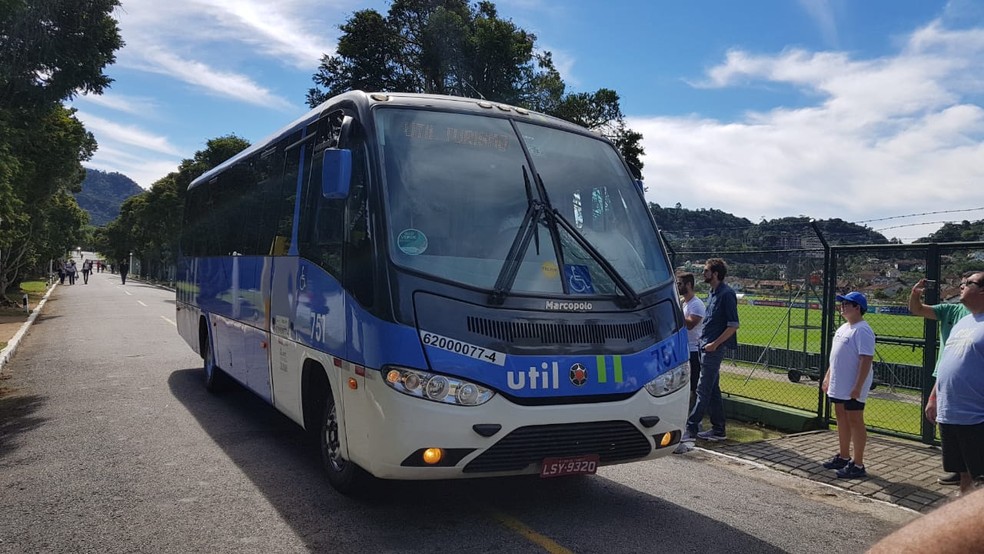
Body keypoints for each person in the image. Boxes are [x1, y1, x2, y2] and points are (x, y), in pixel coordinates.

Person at [925, 271, 984, 496]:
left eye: (968, 283)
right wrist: (934, 397)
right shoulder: (963, 322)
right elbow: (946, 363)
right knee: (962, 472)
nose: (961, 286)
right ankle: (964, 515)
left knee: (980, 476)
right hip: (950, 413)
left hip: (977, 417)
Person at [908, 276, 971, 486]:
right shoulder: (951, 310)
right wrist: (915, 293)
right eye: (961, 283)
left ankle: (970, 473)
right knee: (947, 423)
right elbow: (917, 310)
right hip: (946, 377)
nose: (962, 286)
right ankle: (958, 469)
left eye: (968, 283)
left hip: (972, 383)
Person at [821, 291, 875, 479]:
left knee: (855, 420)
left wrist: (858, 386)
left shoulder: (863, 330)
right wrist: (828, 376)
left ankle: (858, 464)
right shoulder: (843, 327)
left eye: (847, 304)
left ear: (857, 308)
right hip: (839, 383)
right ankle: (844, 456)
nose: (842, 306)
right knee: (840, 417)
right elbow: (835, 356)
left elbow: (866, 359)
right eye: (842, 303)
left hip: (853, 385)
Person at [685, 258, 739, 442]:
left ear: (715, 274)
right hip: (704, 346)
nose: (703, 273)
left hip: (712, 349)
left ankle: (691, 429)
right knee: (713, 390)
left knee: (703, 389)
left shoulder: (726, 294)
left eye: (706, 270)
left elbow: (733, 325)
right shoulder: (713, 293)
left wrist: (714, 344)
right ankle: (718, 430)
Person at [678, 272, 706, 410]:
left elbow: (690, 324)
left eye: (680, 284)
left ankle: (694, 417)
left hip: (694, 350)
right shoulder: (684, 304)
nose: (677, 286)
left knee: (692, 386)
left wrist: (675, 313)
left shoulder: (696, 304)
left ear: (688, 285)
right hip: (684, 349)